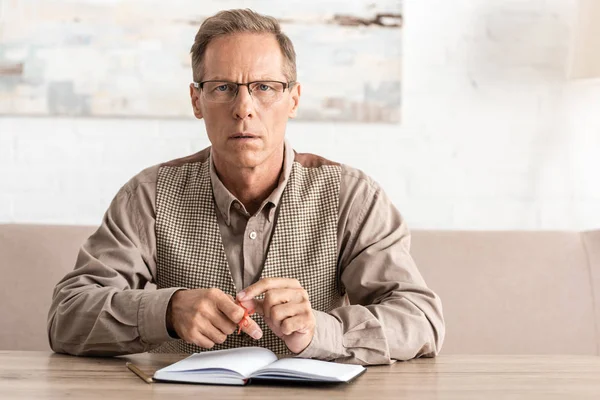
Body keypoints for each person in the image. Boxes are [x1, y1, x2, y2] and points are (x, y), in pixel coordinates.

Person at [47, 9, 445, 364]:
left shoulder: (351, 197)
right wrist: (165, 311)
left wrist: (321, 330)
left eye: (265, 87)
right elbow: (67, 316)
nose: (243, 108)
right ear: (196, 100)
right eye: (222, 87)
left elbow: (420, 319)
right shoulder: (148, 196)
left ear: (294, 99)